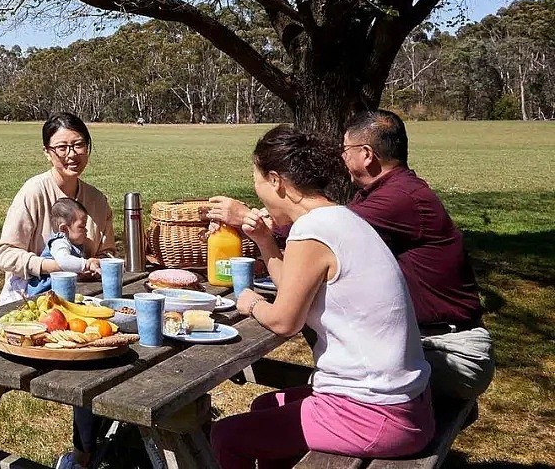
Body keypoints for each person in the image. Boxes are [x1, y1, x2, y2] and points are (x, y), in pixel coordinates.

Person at [211, 125, 434, 469]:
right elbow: (293, 290)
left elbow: (285, 321)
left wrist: (250, 302)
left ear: (276, 181)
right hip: (407, 401)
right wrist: (267, 242)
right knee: (266, 407)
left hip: (377, 413)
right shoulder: (338, 218)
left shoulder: (311, 230)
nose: (256, 192)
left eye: (256, 180)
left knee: (226, 437)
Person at [343, 109, 494, 400]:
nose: (343, 158)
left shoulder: (400, 198)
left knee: (339, 382)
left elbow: (330, 229)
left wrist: (261, 224)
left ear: (366, 154)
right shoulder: (387, 191)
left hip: (451, 353)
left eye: (345, 150)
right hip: (423, 343)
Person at [0, 112, 115, 469]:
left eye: (78, 145)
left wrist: (99, 261)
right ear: (48, 152)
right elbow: (5, 253)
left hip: (83, 303)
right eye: (61, 147)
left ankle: (95, 450)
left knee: (115, 356)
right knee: (91, 368)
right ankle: (84, 455)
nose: (71, 154)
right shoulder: (34, 192)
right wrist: (52, 265)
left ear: (89, 148)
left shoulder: (97, 199)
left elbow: (103, 252)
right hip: (31, 305)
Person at [25, 198, 91, 295]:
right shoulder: (59, 242)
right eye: (82, 226)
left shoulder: (74, 244)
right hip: (45, 292)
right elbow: (64, 261)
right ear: (64, 228)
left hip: (62, 290)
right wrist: (86, 264)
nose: (86, 230)